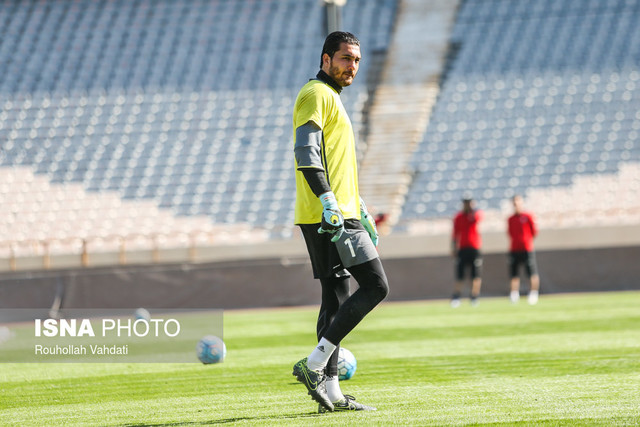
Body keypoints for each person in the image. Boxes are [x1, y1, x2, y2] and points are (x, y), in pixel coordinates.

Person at [291, 31, 388, 413]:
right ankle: (314, 364)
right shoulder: (315, 94)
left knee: (335, 297)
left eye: (357, 60)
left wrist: (358, 204)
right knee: (376, 285)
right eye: (346, 58)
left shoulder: (332, 98)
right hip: (328, 215)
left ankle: (329, 391)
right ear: (326, 58)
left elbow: (336, 161)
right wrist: (330, 201)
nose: (353, 66)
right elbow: (307, 153)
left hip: (339, 211)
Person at [507, 195, 540, 305]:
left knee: (531, 272)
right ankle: (514, 294)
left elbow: (534, 232)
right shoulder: (510, 219)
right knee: (514, 274)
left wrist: (526, 241)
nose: (516, 204)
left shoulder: (528, 216)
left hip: (526, 248)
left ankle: (533, 293)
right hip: (514, 249)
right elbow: (510, 233)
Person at [450, 197, 483, 307]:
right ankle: (456, 296)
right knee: (460, 274)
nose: (467, 205)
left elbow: (479, 218)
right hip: (462, 249)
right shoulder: (459, 217)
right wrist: (453, 248)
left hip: (474, 248)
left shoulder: (475, 215)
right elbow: (455, 234)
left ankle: (474, 296)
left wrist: (473, 209)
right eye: (466, 203)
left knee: (475, 274)